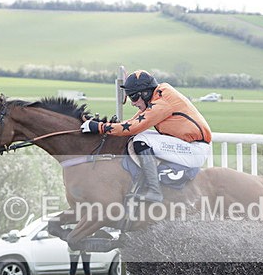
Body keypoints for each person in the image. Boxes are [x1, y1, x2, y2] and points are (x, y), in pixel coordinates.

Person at [80, 70, 213, 203]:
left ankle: (154, 191)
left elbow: (133, 127)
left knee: (141, 140)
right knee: (139, 136)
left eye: (133, 97)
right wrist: (100, 125)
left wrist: (99, 127)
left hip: (194, 150)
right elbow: (131, 124)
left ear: (145, 93)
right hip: (189, 145)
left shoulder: (162, 103)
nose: (133, 103)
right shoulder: (158, 96)